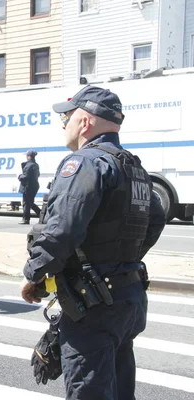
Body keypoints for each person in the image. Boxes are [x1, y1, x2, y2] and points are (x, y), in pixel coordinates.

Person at [20, 85, 167, 399]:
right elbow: (155, 218)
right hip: (127, 297)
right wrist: (122, 258)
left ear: (84, 122)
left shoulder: (84, 163)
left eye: (68, 117)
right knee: (119, 388)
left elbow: (61, 232)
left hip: (94, 306)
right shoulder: (134, 168)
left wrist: (33, 274)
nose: (64, 124)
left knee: (90, 391)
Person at [18, 149, 41, 224]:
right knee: (30, 203)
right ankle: (41, 214)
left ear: (29, 157)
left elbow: (25, 176)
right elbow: (38, 174)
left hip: (27, 187)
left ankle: (26, 219)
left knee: (26, 203)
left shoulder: (29, 165)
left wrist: (19, 176)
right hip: (34, 186)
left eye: (27, 156)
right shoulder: (35, 165)